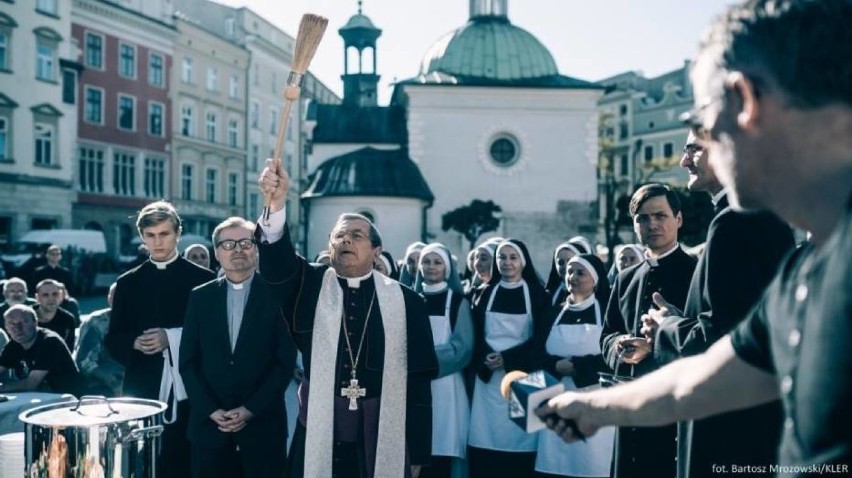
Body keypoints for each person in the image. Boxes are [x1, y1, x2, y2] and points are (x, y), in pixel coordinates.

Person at [538, 1, 852, 476]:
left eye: (701, 118)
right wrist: (594, 410)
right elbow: (706, 378)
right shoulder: (805, 269)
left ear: (743, 99)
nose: (699, 146)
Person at [257, 157, 438, 478]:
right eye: (339, 236)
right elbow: (276, 261)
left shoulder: (408, 301)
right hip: (317, 423)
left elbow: (420, 382)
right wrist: (276, 203)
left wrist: (419, 449)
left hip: (383, 425)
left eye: (356, 235)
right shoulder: (309, 284)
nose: (346, 241)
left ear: (377, 251)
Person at [643, 132, 795, 478]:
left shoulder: (733, 221)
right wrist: (682, 320)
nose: (684, 162)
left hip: (727, 426)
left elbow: (723, 338)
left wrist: (665, 327)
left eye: (694, 149)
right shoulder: (760, 214)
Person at [180, 217, 297, 478]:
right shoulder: (200, 297)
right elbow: (188, 362)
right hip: (209, 428)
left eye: (245, 242)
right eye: (228, 244)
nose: (237, 250)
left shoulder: (278, 295)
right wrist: (211, 410)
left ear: (256, 249)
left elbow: (284, 362)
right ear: (217, 253)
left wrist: (249, 409)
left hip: (263, 427)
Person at [105, 200, 215, 478]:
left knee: (185, 461)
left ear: (178, 233)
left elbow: (215, 337)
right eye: (150, 235)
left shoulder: (204, 279)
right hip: (142, 384)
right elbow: (113, 338)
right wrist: (133, 342)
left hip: (191, 389)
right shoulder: (128, 283)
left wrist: (171, 338)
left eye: (164, 234)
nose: (158, 242)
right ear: (142, 236)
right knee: (142, 463)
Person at [600, 183, 697, 478]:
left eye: (660, 215)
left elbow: (706, 337)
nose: (652, 224)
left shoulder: (697, 272)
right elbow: (606, 335)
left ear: (678, 219)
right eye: (642, 218)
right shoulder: (625, 278)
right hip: (629, 408)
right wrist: (620, 346)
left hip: (676, 412)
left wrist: (653, 347)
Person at [467, 239, 549, 478]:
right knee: (486, 440)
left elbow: (541, 339)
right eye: (502, 257)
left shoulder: (537, 295)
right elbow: (475, 332)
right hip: (489, 379)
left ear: (523, 262)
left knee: (522, 442)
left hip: (525, 377)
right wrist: (487, 357)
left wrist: (508, 358)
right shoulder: (483, 292)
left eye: (513, 257)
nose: (507, 262)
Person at [536, 254, 614, 478]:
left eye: (580, 272)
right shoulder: (552, 313)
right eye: (570, 272)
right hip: (555, 401)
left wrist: (578, 366)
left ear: (596, 279)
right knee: (555, 464)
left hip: (594, 400)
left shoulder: (608, 312)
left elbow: (613, 354)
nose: (572, 277)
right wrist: (554, 365)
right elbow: (534, 354)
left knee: (592, 464)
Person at [413, 243, 474, 478]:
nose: (431, 267)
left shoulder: (459, 302)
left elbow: (463, 348)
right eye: (426, 262)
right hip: (415, 384)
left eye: (437, 262)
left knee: (443, 449)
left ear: (447, 269)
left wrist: (424, 361)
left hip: (447, 386)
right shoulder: (410, 298)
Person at [0, 304, 79, 394]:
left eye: (24, 322)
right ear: (6, 328)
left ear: (35, 323)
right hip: (40, 398)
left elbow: (31, 384)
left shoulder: (49, 342)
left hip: (68, 399)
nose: (18, 328)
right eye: (12, 323)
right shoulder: (15, 344)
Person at [76, 283, 124, 396]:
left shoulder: (140, 321)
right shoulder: (96, 322)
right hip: (104, 384)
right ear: (109, 299)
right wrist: (113, 383)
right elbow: (84, 362)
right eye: (115, 296)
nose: (120, 300)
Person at [32, 279, 77, 353]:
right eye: (45, 295)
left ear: (61, 296)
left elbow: (68, 351)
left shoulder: (68, 319)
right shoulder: (26, 316)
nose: (51, 298)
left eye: (55, 294)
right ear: (37, 298)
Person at [544, 240, 588, 307]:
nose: (565, 266)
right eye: (560, 262)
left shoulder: (588, 293)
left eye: (570, 261)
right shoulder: (550, 292)